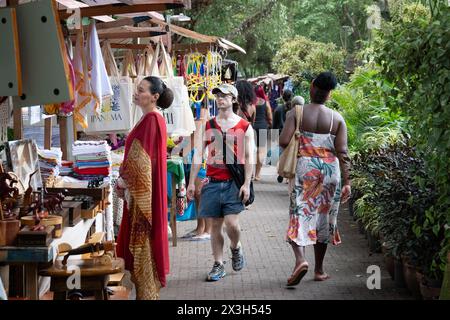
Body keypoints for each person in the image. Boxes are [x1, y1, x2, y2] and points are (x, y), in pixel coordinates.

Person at [279, 71, 351, 286]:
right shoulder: (337, 119)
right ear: (329, 94)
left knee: (299, 213)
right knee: (324, 218)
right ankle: (319, 270)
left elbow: (284, 141)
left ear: (312, 87)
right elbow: (343, 152)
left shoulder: (297, 113)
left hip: (304, 170)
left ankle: (300, 260)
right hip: (330, 172)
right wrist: (347, 182)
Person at [187, 83, 254, 282]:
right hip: (212, 182)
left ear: (233, 99)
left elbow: (250, 157)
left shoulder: (244, 126)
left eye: (225, 95)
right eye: (218, 95)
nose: (220, 98)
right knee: (215, 225)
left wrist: (246, 184)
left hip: (234, 183)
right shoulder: (208, 125)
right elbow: (198, 154)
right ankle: (218, 264)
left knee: (232, 224)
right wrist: (191, 182)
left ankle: (236, 247)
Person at [115, 76, 172, 300]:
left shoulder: (151, 119)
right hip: (141, 193)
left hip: (143, 197)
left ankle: (147, 294)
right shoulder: (149, 118)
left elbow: (141, 161)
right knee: (140, 246)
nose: (136, 93)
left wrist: (123, 181)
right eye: (137, 89)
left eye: (141, 90)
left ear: (154, 97)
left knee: (142, 245)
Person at [253, 85, 273, 180]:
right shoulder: (266, 102)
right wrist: (269, 124)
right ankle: (257, 174)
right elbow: (269, 116)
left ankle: (251, 173)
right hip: (262, 127)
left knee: (251, 151)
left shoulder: (251, 102)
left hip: (252, 128)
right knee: (261, 151)